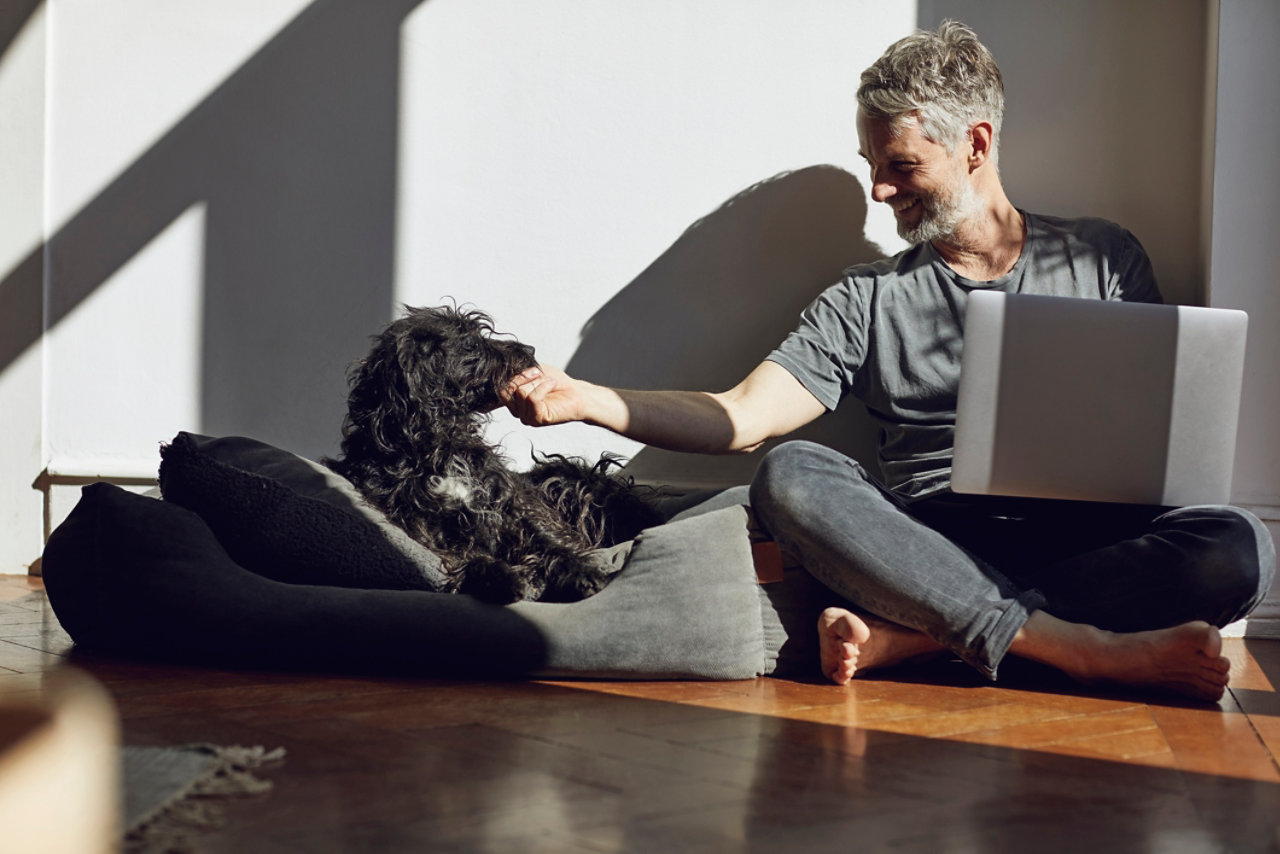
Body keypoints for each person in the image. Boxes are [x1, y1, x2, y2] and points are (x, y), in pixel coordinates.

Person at [503, 21, 1274, 701]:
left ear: (974, 144)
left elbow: (1156, 430)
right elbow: (743, 418)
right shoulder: (866, 298)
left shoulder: (1103, 257)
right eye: (872, 163)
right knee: (793, 473)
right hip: (929, 547)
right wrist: (590, 399)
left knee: (1244, 548)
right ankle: (1081, 651)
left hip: (1085, 540)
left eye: (900, 165)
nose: (878, 189)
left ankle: (920, 641)